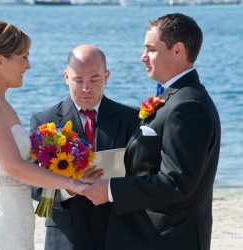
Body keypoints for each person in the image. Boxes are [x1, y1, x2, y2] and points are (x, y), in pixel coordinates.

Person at [82, 13, 221, 250]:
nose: (142, 57)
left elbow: (176, 183)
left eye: (151, 50)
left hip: (168, 239)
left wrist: (111, 190)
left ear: (178, 50)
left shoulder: (188, 106)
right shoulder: (174, 97)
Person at [0, 21, 91, 250]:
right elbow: (14, 167)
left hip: (15, 220)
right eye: (23, 57)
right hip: (2, 226)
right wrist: (74, 184)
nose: (28, 65)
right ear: (0, 60)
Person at [31, 44, 140, 250]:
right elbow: (35, 185)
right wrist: (70, 188)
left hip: (118, 233)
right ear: (66, 77)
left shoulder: (131, 119)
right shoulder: (45, 121)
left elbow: (143, 176)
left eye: (94, 80)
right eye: (78, 80)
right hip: (67, 237)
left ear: (106, 77)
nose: (86, 88)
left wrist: (110, 188)